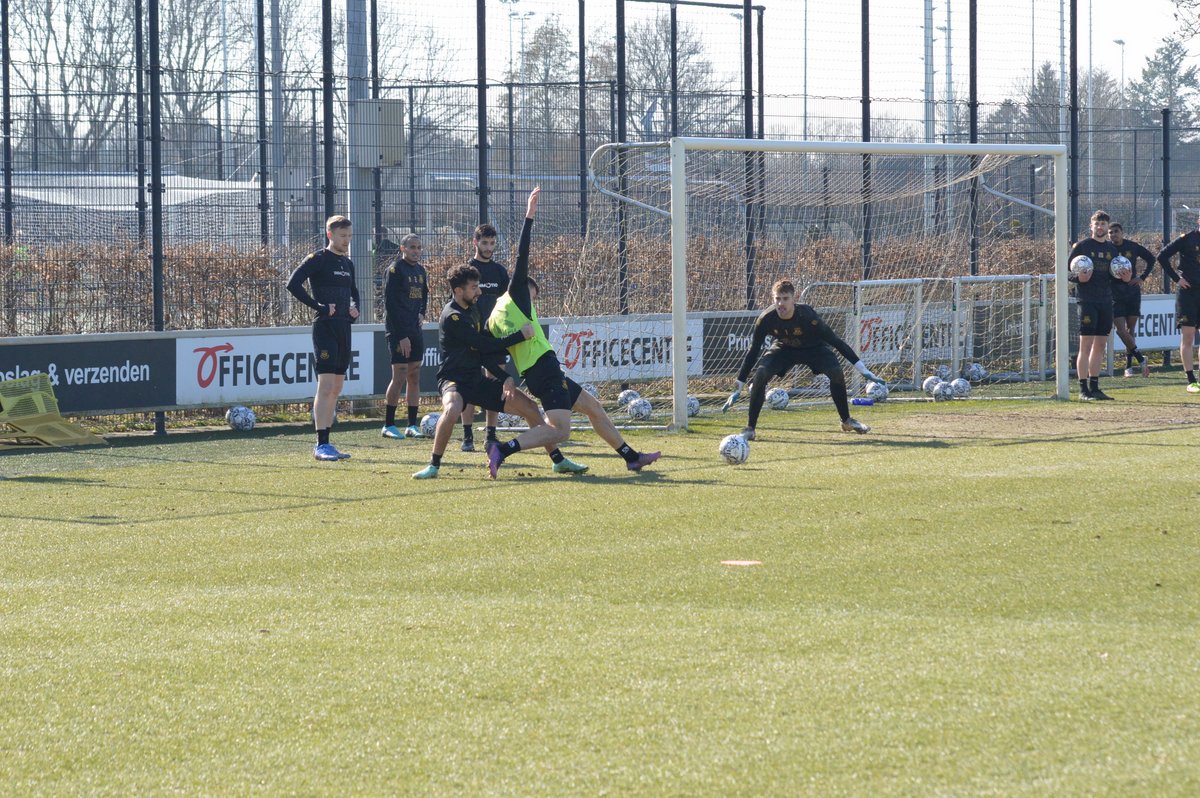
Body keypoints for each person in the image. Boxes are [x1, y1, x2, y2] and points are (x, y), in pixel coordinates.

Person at [486, 187, 661, 477]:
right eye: (534, 295)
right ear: (524, 288)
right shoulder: (517, 294)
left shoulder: (493, 317)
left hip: (538, 372)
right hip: (543, 368)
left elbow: (493, 350)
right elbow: (521, 255)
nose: (533, 302)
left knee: (593, 407)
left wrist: (506, 370)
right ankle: (502, 449)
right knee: (560, 431)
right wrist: (529, 216)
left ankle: (631, 457)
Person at [412, 264, 575, 479]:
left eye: (478, 286)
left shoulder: (474, 310)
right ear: (458, 291)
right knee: (452, 408)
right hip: (454, 380)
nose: (479, 292)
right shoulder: (452, 317)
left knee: (530, 407)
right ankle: (433, 465)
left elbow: (482, 354)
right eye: (473, 288)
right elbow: (484, 345)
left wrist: (505, 377)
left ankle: (558, 460)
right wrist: (519, 336)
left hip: (476, 380)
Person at [721, 279, 879, 437]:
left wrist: (862, 369)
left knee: (836, 371)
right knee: (761, 373)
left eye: (785, 298)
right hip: (784, 349)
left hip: (814, 349)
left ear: (794, 299)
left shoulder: (807, 315)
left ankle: (846, 421)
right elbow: (753, 351)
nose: (781, 303)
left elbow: (835, 341)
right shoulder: (766, 319)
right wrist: (738, 386)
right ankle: (750, 428)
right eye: (777, 299)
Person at [286, 215, 360, 461]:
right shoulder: (318, 259)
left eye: (349, 236)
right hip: (325, 328)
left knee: (337, 387)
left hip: (344, 328)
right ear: (330, 235)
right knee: (326, 385)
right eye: (342, 236)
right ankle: (321, 444)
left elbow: (354, 292)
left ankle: (328, 442)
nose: (346, 241)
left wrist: (355, 308)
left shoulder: (347, 263)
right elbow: (293, 284)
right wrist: (319, 306)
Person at [459, 223, 511, 452]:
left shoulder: (500, 271)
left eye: (492, 243)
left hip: (495, 337)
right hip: (472, 336)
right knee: (470, 385)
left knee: (495, 386)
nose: (489, 247)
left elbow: (508, 303)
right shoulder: (467, 270)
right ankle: (467, 436)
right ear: (475, 242)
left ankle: (491, 434)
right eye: (484, 243)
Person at [1069, 210, 1121, 401]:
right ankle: (1083, 389)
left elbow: (1114, 276)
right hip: (1087, 301)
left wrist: (1124, 277)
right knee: (1086, 345)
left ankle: (1095, 387)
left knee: (1100, 345)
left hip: (1105, 301)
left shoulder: (1112, 249)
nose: (1100, 227)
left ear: (1107, 227)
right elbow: (1067, 272)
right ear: (1091, 226)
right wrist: (1078, 278)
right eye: (1097, 224)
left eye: (1103, 224)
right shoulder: (1082, 247)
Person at [381, 234, 430, 438]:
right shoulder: (395, 270)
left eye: (419, 247)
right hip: (398, 330)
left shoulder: (420, 270)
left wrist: (422, 313)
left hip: (414, 329)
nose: (416, 251)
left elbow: (424, 294)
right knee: (399, 375)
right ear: (403, 248)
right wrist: (401, 335)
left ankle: (412, 425)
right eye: (412, 247)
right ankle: (389, 425)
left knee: (414, 374)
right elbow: (390, 304)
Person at [1154, 215, 1200, 393]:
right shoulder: (1187, 238)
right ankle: (1191, 380)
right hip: (1188, 294)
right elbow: (1162, 256)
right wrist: (1177, 279)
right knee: (1188, 336)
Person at [1108, 222, 1156, 378]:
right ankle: (1140, 358)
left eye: (1116, 231)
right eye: (1110, 232)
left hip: (1132, 292)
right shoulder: (1107, 248)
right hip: (1115, 294)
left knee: (1131, 330)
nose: (1113, 234)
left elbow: (1151, 259)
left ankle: (1128, 366)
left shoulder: (1132, 246)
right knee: (1120, 330)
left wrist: (1142, 277)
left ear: (1122, 232)